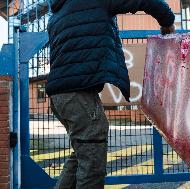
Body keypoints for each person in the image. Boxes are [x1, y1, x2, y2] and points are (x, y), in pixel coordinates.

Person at [46, 0, 175, 188]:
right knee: (92, 162)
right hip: (77, 93)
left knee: (83, 152)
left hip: (59, 95)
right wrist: (168, 22)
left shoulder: (56, 15)